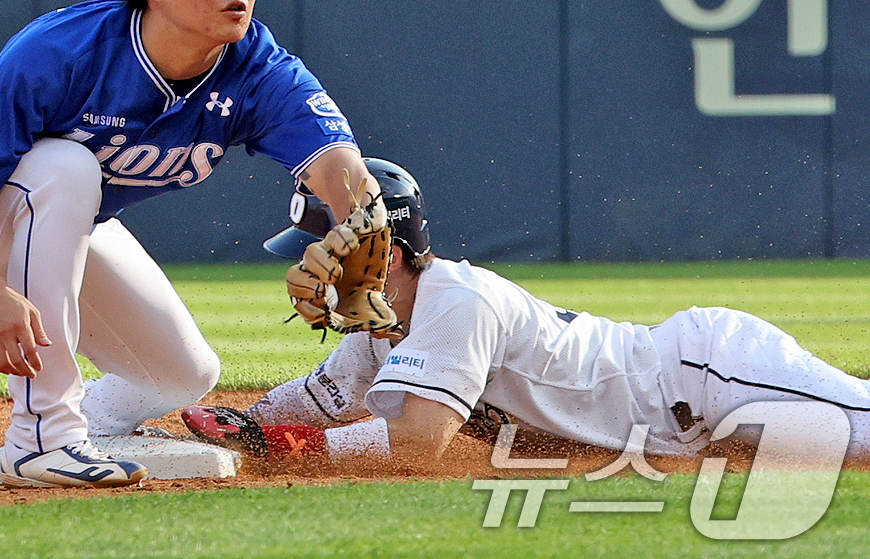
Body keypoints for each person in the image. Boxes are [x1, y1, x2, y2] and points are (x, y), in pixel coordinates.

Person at [0, 0, 382, 488]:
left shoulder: (259, 69)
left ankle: (97, 423)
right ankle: (42, 439)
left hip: (55, 214)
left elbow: (341, 168)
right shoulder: (63, 51)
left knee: (179, 374)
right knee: (67, 167)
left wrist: (361, 231)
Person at [182, 158, 870, 466]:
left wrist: (286, 449)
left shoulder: (457, 301)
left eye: (326, 248)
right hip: (684, 429)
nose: (313, 266)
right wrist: (250, 422)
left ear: (383, 253)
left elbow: (422, 441)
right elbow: (320, 395)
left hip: (703, 372)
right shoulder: (382, 328)